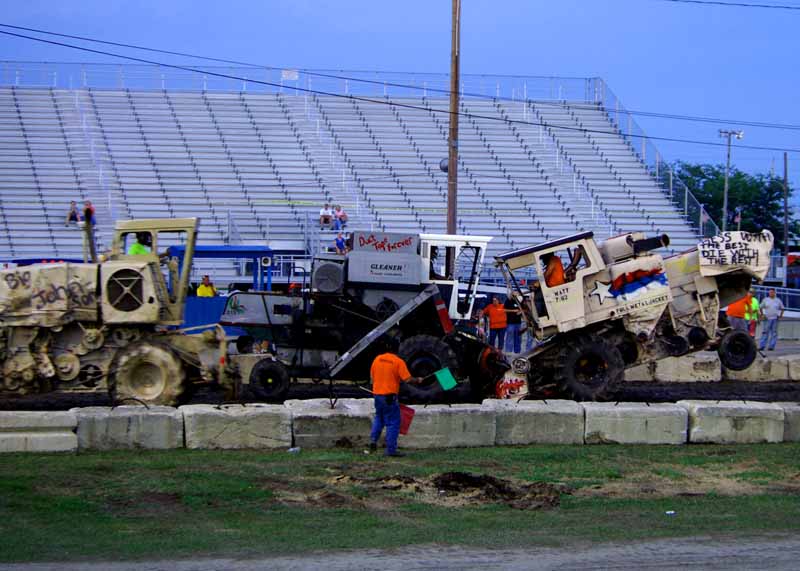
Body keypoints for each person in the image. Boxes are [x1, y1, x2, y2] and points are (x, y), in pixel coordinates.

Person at [368, 337, 422, 457]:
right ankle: (391, 450)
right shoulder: (398, 362)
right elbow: (407, 379)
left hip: (377, 395)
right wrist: (418, 379)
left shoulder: (377, 359)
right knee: (393, 422)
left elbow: (372, 379)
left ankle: (373, 441)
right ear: (397, 348)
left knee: (379, 418)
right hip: (389, 397)